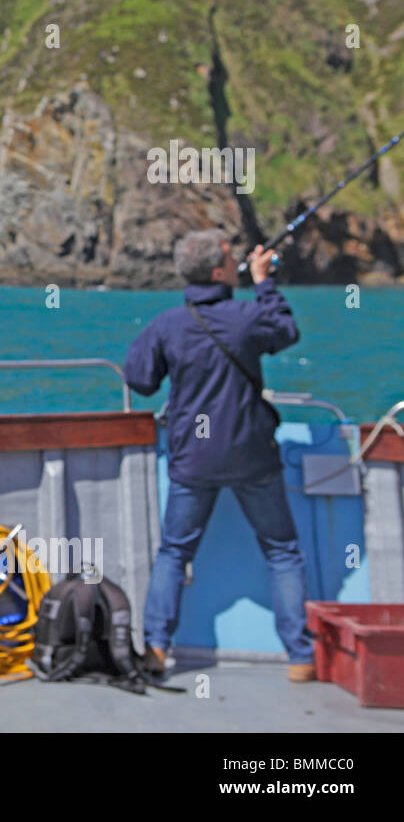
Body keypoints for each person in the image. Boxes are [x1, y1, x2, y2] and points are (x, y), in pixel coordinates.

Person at [123, 229, 316, 681]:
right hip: (252, 454)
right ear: (217, 271)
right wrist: (264, 280)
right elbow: (286, 330)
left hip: (194, 457)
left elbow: (140, 379)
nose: (237, 263)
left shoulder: (167, 324)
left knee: (174, 551)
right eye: (231, 258)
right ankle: (300, 657)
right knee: (282, 552)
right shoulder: (246, 317)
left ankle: (156, 646)